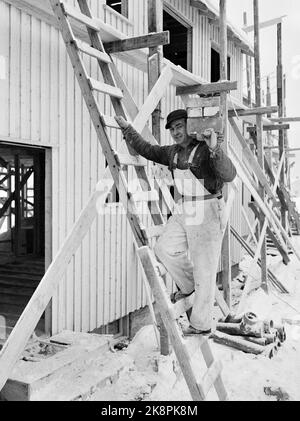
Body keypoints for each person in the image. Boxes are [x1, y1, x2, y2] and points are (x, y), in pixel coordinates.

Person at [115, 109, 236, 335]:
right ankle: (190, 288)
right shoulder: (172, 152)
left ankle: (201, 324)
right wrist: (127, 129)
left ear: (190, 126)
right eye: (171, 129)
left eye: (179, 126)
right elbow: (147, 150)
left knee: (205, 270)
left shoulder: (206, 149)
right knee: (164, 248)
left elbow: (229, 175)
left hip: (208, 208)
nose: (175, 132)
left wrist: (214, 148)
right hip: (185, 208)